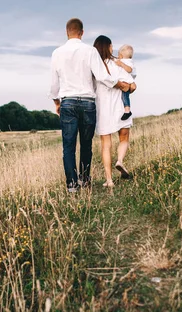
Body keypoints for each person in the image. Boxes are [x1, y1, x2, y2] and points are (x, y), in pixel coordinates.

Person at [49, 18, 131, 193]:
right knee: (86, 144)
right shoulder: (90, 51)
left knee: (68, 145)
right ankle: (85, 181)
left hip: (68, 102)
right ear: (82, 32)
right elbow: (102, 76)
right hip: (87, 103)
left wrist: (57, 102)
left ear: (66, 32)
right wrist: (120, 84)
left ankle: (72, 184)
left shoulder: (57, 53)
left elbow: (53, 83)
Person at [93, 35, 137, 188]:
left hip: (103, 108)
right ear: (109, 47)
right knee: (124, 137)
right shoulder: (116, 63)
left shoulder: (95, 65)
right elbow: (129, 83)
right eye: (112, 46)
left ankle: (109, 180)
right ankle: (120, 160)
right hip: (120, 106)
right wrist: (130, 86)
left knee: (106, 144)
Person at [115, 45, 137, 121]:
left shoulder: (128, 62)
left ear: (121, 55)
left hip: (127, 82)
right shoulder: (124, 61)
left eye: (118, 55)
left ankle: (127, 110)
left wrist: (121, 64)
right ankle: (126, 110)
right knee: (124, 96)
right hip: (125, 81)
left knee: (125, 96)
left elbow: (129, 70)